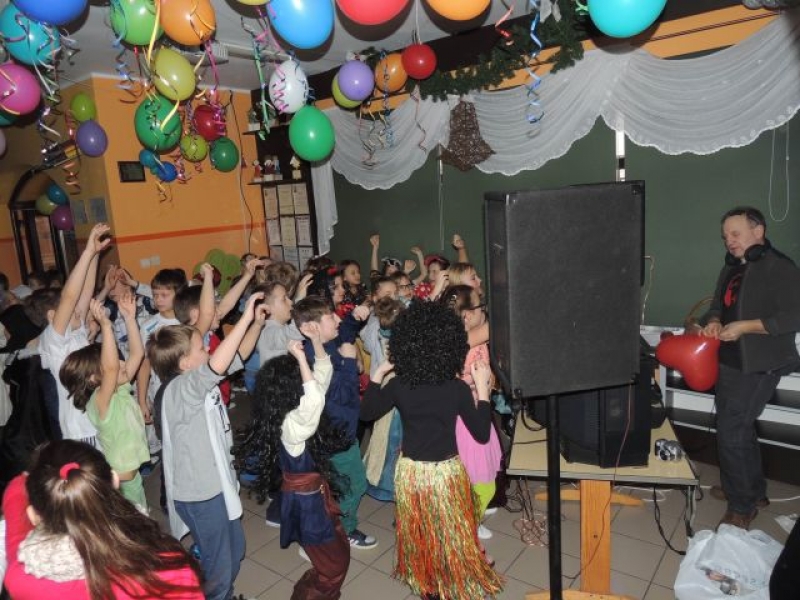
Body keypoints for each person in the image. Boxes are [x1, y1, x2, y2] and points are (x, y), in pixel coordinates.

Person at [361, 301, 503, 599]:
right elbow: (481, 433)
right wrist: (483, 391)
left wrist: (378, 374)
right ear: (450, 345)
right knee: (450, 534)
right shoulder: (456, 388)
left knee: (422, 534)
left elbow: (367, 412)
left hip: (412, 474)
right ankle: (449, 583)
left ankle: (429, 587)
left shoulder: (399, 385)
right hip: (446, 475)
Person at [147, 292, 264, 600]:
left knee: (234, 549)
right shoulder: (180, 390)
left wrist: (256, 324)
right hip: (199, 494)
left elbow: (237, 355)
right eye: (202, 348)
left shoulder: (194, 379)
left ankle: (220, 590)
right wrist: (245, 317)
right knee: (220, 566)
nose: (208, 350)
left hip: (217, 484)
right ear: (185, 362)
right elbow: (218, 363)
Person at [2, 439, 202, 599]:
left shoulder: (21, 581)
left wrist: (19, 486)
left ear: (34, 517)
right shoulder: (171, 570)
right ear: (114, 480)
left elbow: (15, 535)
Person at [701, 206, 800, 530]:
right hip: (730, 362)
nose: (729, 241)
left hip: (760, 365)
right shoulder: (731, 268)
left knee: (732, 431)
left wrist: (746, 326)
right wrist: (714, 322)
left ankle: (741, 505)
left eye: (735, 233)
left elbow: (793, 316)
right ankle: (752, 491)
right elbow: (717, 306)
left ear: (758, 231)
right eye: (725, 236)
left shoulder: (780, 267)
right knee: (737, 429)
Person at [243, 337, 352, 599]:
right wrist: (301, 358)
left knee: (333, 555)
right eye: (302, 376)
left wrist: (315, 342)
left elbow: (319, 383)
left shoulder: (293, 414)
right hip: (308, 506)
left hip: (311, 500)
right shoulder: (291, 425)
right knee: (334, 565)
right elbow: (314, 400)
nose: (308, 379)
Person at [292, 295, 377, 550]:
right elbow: (339, 394)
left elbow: (343, 332)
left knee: (336, 485)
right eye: (331, 317)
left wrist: (355, 317)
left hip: (340, 432)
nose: (338, 320)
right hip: (334, 436)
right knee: (355, 485)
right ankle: (341, 530)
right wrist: (349, 361)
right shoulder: (313, 357)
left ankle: (326, 526)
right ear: (312, 327)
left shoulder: (327, 342)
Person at [60, 296, 148, 512]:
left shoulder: (119, 388)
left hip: (131, 479)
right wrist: (106, 326)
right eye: (115, 361)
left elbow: (137, 354)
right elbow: (110, 369)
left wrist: (130, 318)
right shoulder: (100, 402)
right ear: (93, 379)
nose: (121, 363)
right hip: (121, 486)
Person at [38, 223, 112, 447]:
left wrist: (95, 255)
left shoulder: (76, 333)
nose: (78, 310)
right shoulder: (54, 342)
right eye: (71, 311)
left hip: (99, 422)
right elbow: (69, 298)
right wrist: (87, 252)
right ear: (53, 316)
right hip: (82, 430)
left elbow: (85, 292)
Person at [441, 285, 502, 541]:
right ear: (466, 315)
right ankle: (465, 527)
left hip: (477, 410)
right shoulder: (461, 340)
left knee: (476, 481)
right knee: (483, 485)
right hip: (467, 420)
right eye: (480, 306)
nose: (484, 310)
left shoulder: (464, 336)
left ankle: (468, 522)